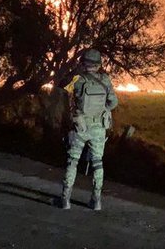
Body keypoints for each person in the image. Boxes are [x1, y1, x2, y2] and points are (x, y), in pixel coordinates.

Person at [60, 49, 118, 211]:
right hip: (98, 127)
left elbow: (63, 93)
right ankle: (96, 201)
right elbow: (113, 103)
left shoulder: (77, 79)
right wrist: (102, 111)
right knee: (98, 163)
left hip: (80, 126)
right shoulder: (105, 80)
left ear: (83, 63)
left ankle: (65, 200)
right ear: (99, 64)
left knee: (72, 161)